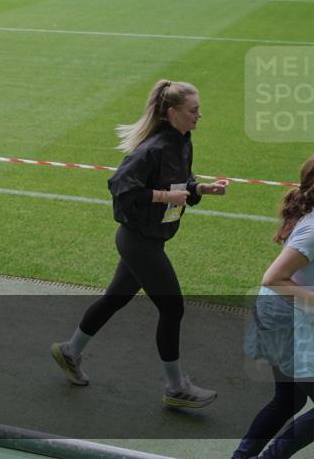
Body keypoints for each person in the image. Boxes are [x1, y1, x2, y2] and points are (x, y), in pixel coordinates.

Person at [50, 79, 228, 407]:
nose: (199, 115)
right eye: (193, 110)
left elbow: (179, 183)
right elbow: (120, 186)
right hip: (138, 241)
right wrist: (164, 197)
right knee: (172, 307)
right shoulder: (152, 149)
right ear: (172, 113)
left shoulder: (182, 142)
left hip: (149, 239)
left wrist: (200, 189)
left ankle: (70, 351)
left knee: (115, 299)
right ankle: (175, 388)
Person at [234, 155, 314, 459]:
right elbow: (273, 277)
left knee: (288, 400)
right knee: (289, 400)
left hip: (283, 316)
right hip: (286, 322)